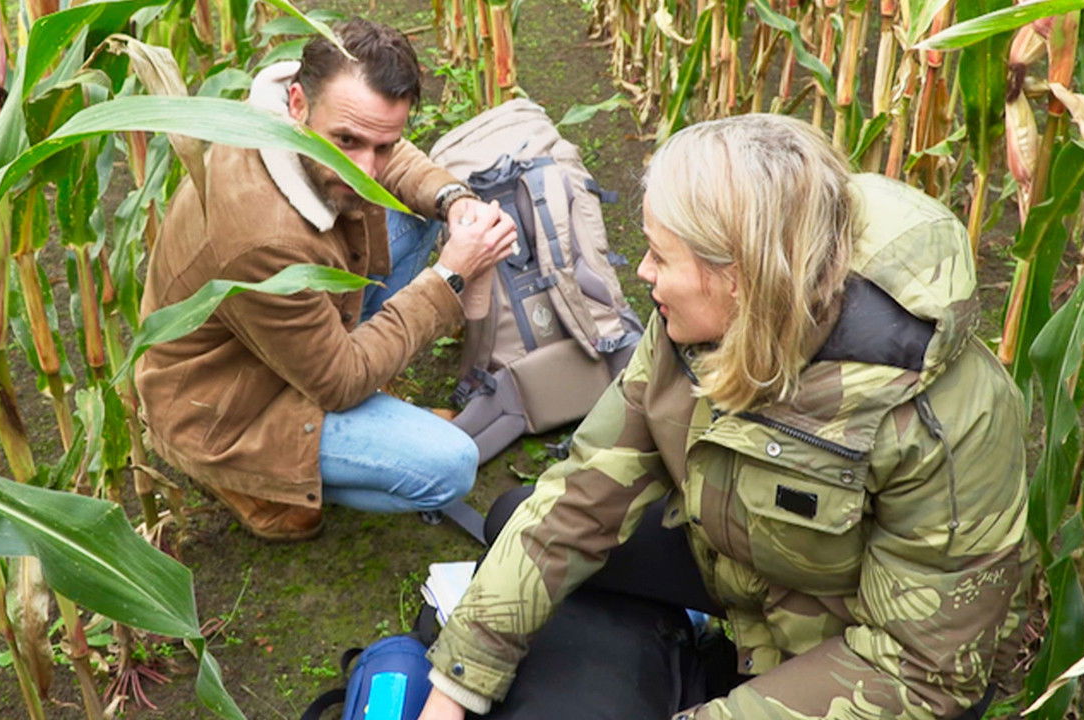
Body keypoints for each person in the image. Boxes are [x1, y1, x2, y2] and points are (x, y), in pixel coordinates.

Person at [418, 114, 1035, 719]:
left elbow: (920, 670)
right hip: (746, 559)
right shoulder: (692, 326)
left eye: (661, 256)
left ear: (736, 277)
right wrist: (456, 682)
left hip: (872, 645)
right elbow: (584, 495)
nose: (643, 273)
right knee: (512, 520)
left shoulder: (941, 416)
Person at [136, 19, 518, 542]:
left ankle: (367, 411)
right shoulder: (261, 238)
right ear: (297, 103)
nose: (366, 168)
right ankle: (259, 485)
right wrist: (450, 276)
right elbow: (337, 383)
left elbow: (393, 156)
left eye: (381, 145)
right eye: (346, 142)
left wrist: (458, 202)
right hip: (227, 407)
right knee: (449, 467)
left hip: (285, 334)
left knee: (423, 207)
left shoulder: (306, 119)